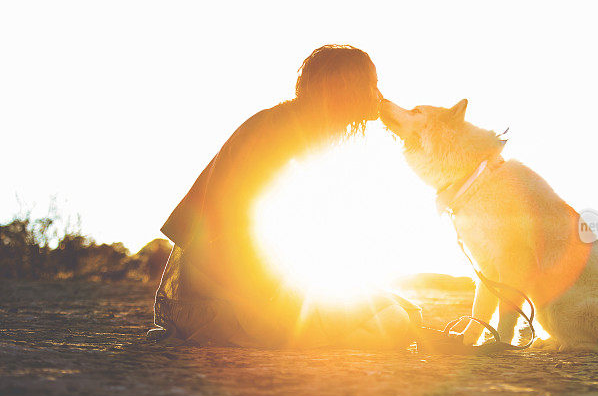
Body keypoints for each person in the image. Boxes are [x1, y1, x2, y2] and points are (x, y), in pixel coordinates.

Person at [148, 45, 420, 349]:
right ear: (347, 85)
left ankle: (303, 337)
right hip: (226, 289)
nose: (379, 95)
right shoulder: (280, 130)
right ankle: (281, 338)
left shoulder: (304, 128)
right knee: (393, 322)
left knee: (401, 314)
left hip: (249, 282)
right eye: (372, 84)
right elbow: (238, 232)